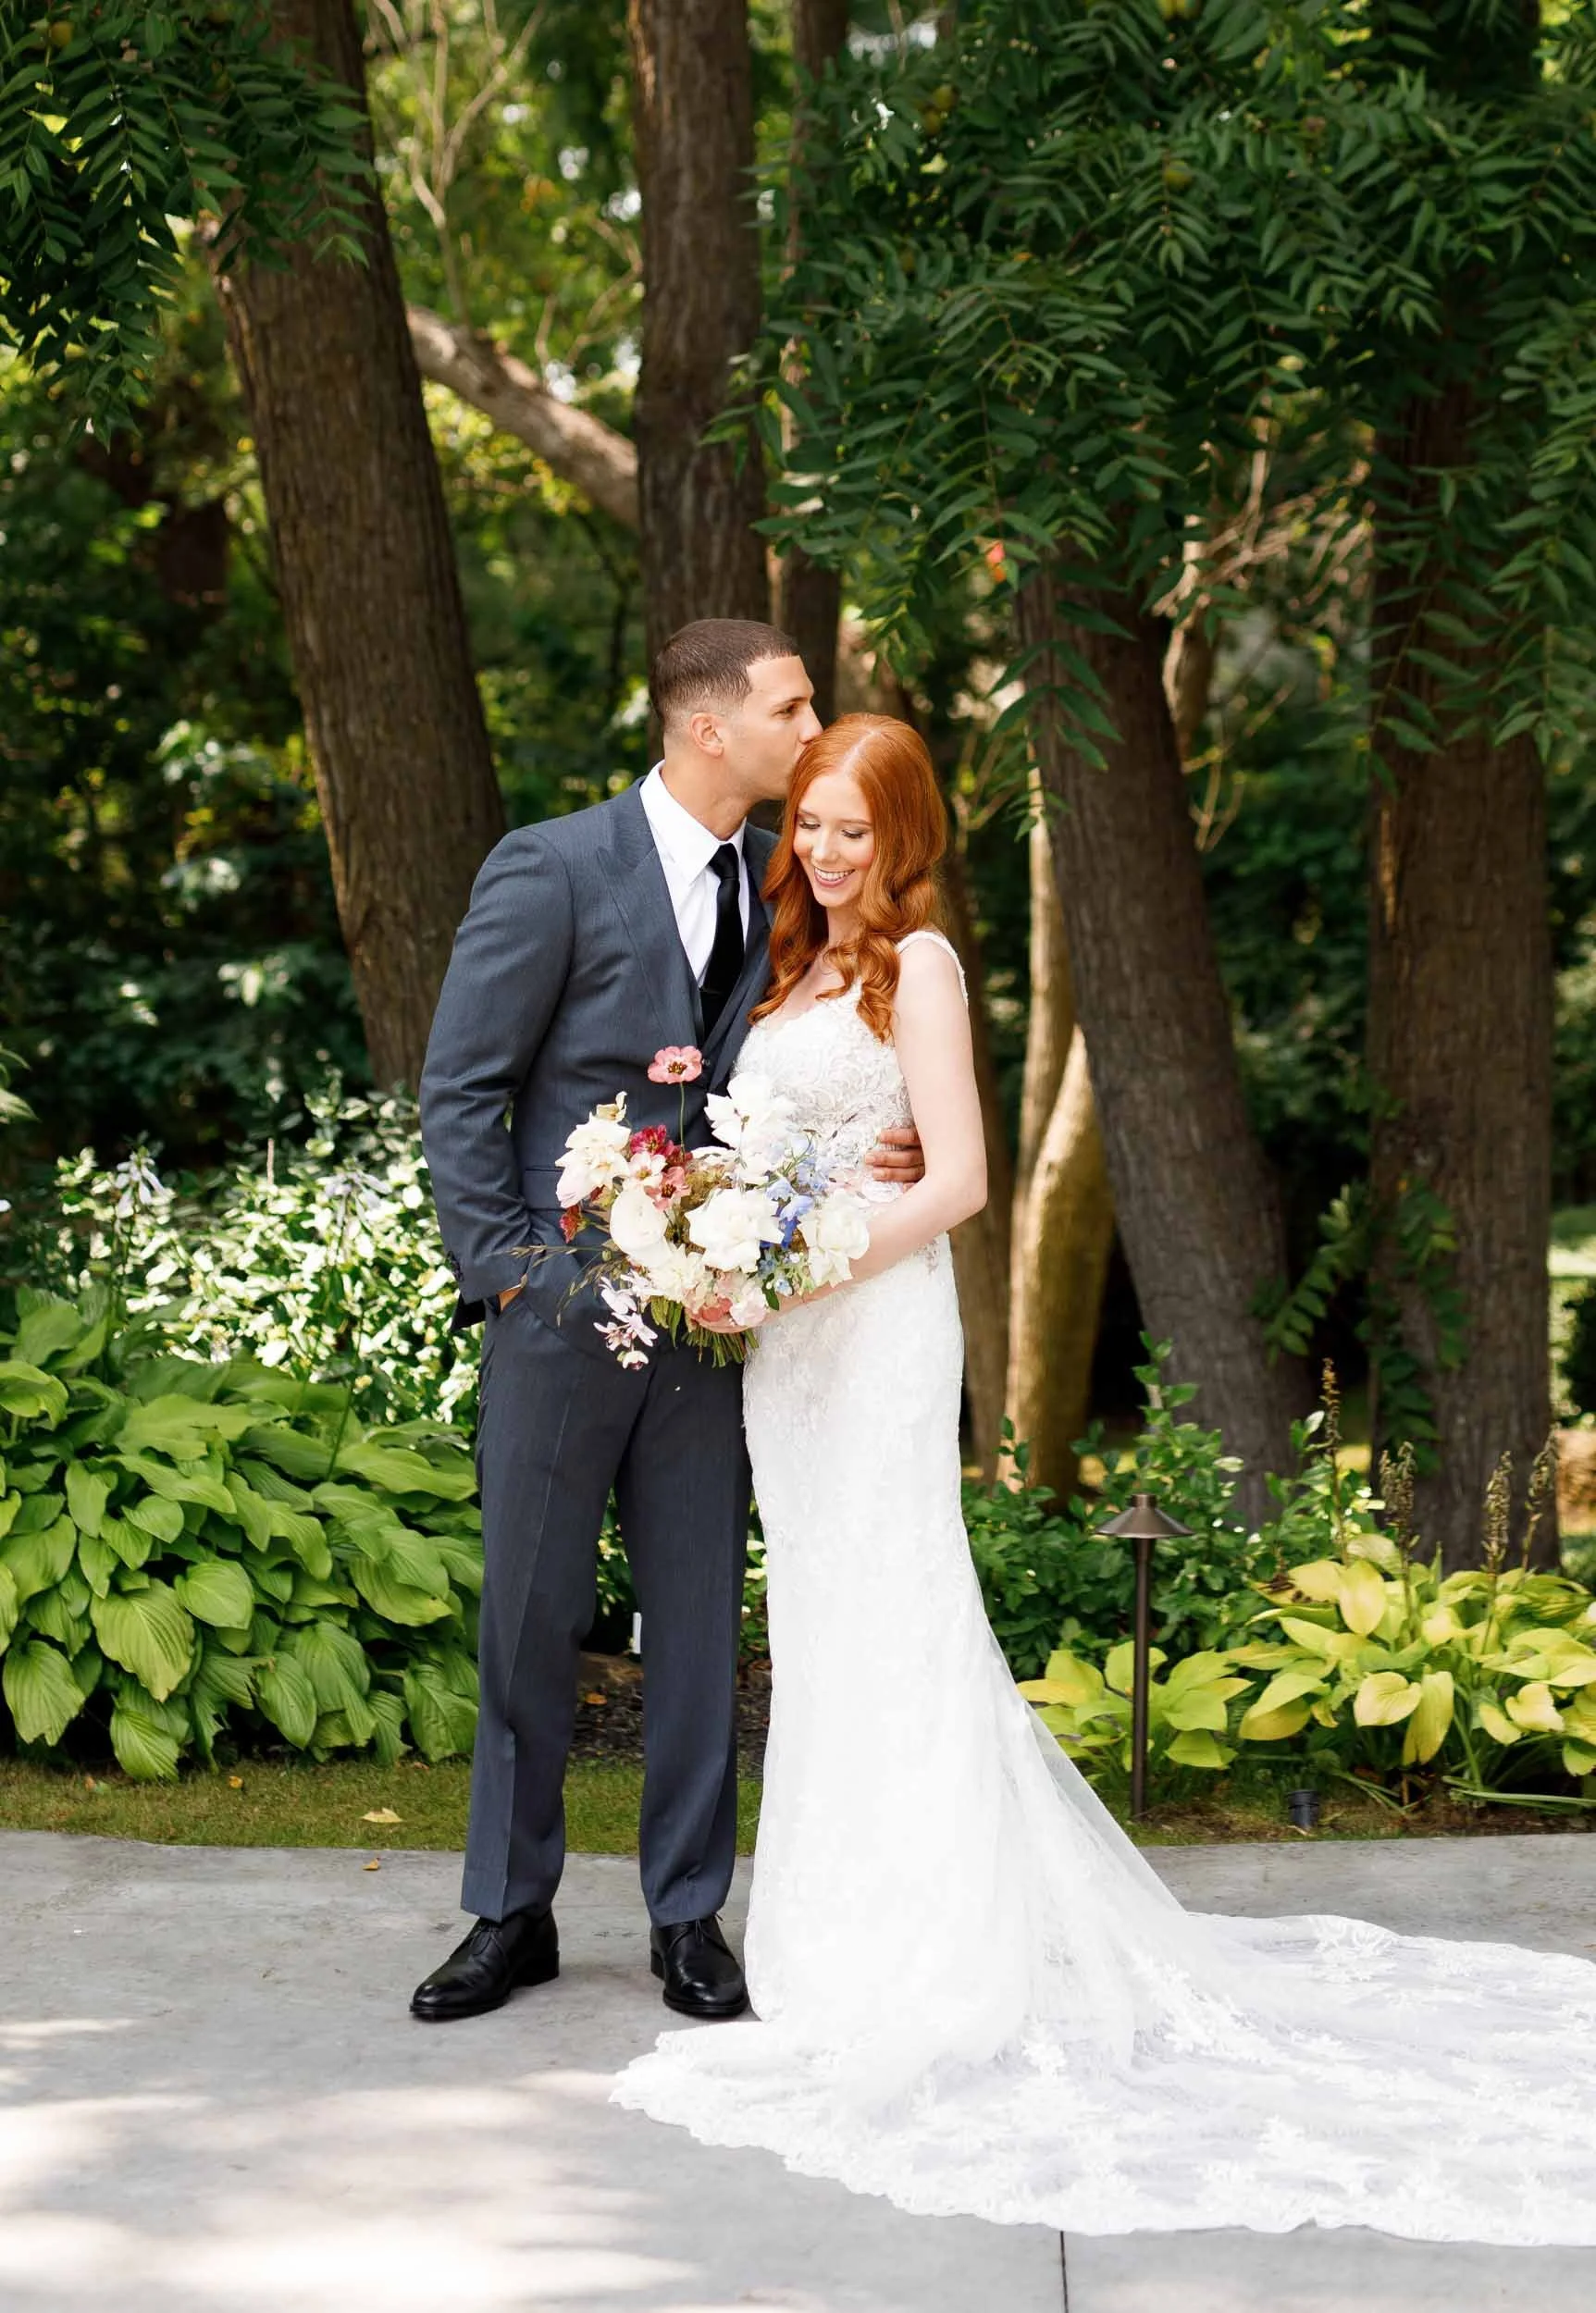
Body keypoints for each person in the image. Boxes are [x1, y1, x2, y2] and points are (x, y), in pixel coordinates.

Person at [612, 711, 1596, 2246]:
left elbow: (958, 1181)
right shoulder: (783, 962)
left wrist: (793, 1266)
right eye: (809, 820)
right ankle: (825, 1939)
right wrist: (713, 1238)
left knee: (897, 1609)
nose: (823, 847)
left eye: (854, 829)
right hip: (788, 1358)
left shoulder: (916, 969)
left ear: (909, 836)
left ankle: (926, 1958)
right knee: (818, 1624)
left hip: (865, 1330)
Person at [412, 623, 922, 2026]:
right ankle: (508, 1914)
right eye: (791, 703)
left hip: (715, 1323)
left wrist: (870, 1158)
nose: (811, 718)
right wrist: (518, 1274)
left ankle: (688, 1916)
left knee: (696, 1619)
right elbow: (460, 1091)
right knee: (528, 1618)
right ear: (711, 727)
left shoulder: (776, 890)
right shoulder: (553, 867)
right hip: (563, 1317)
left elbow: (816, 1070)